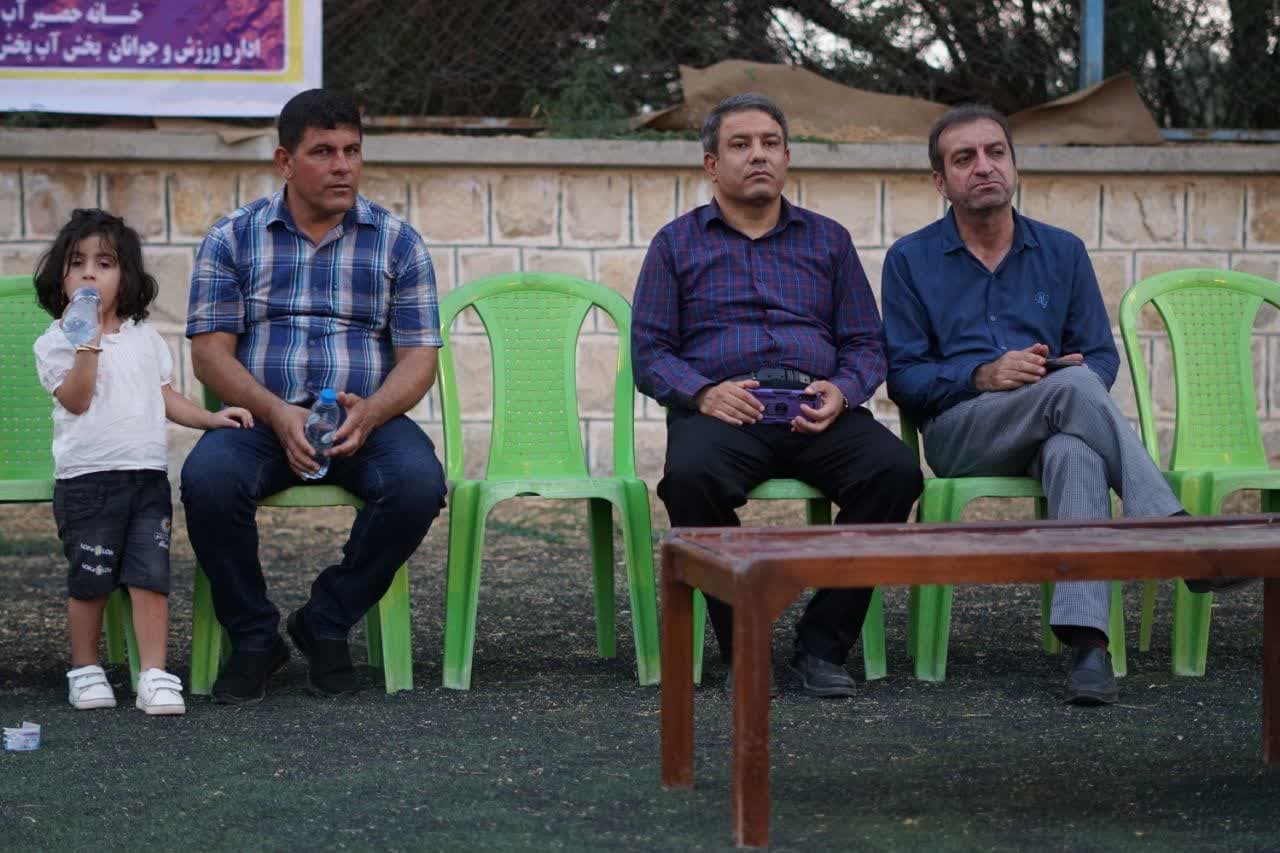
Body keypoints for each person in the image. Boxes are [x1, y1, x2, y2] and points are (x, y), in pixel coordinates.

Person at [880, 104, 1207, 706]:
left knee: (1075, 450)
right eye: (964, 159)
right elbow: (903, 377)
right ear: (940, 182)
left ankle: (1088, 649)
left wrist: (1058, 377)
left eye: (996, 153)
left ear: (1015, 165)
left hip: (1053, 421)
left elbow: (1099, 358)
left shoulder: (1063, 251)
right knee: (1071, 389)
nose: (984, 167)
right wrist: (982, 375)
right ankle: (1173, 531)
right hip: (961, 432)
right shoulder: (910, 259)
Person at [632, 93, 923, 698]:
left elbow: (866, 343)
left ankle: (822, 646)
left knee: (895, 471)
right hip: (725, 413)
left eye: (770, 143)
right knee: (688, 480)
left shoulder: (829, 241)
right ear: (712, 164)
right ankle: (744, 645)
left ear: (788, 157)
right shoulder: (676, 244)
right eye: (740, 145)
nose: (757, 155)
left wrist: (843, 390)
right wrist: (704, 393)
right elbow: (651, 352)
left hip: (816, 408)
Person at [182, 89, 447, 704]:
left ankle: (326, 619)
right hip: (261, 417)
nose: (343, 166)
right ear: (285, 161)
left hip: (364, 420)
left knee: (418, 485)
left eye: (352, 151)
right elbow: (210, 354)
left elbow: (419, 358)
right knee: (208, 482)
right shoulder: (232, 238)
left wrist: (373, 411)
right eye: (323, 152)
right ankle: (255, 637)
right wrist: (278, 413)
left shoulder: (398, 242)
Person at [32, 209, 253, 715]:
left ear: (126, 276)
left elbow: (165, 396)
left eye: (104, 263)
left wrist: (209, 419)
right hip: (87, 482)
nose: (89, 275)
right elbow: (76, 400)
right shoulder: (55, 342)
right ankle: (85, 669)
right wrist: (86, 344)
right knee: (91, 577)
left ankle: (153, 673)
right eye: (76, 263)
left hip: (147, 480)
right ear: (60, 277)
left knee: (150, 578)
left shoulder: (145, 339)